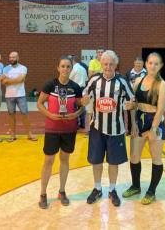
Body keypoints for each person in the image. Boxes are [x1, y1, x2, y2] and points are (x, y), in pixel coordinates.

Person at [82, 50, 136, 207]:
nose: (108, 67)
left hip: (116, 129)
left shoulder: (123, 81)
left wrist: (132, 110)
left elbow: (132, 101)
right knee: (96, 161)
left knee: (114, 162)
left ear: (116, 65)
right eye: (105, 64)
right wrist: (83, 101)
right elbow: (85, 96)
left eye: (111, 64)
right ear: (101, 64)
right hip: (97, 128)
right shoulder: (94, 80)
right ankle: (97, 188)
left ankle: (112, 190)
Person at [122, 52, 165, 205]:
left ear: (160, 66)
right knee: (134, 157)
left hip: (155, 123)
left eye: (156, 63)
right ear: (146, 64)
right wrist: (133, 124)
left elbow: (160, 109)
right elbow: (134, 104)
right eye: (150, 63)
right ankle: (136, 186)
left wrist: (153, 129)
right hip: (139, 121)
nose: (153, 66)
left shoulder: (162, 85)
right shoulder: (137, 81)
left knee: (156, 158)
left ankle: (151, 191)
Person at [37, 56, 83, 209]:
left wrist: (76, 114)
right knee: (48, 160)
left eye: (68, 66)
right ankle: (43, 194)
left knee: (65, 159)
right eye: (62, 66)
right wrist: (49, 115)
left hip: (69, 129)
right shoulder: (50, 84)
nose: (65, 69)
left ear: (71, 69)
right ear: (58, 68)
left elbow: (81, 106)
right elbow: (39, 103)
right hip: (52, 129)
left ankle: (62, 191)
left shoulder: (76, 87)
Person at [2, 51, 37, 141]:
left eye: (13, 57)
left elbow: (21, 80)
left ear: (18, 58)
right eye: (10, 57)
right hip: (9, 96)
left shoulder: (23, 68)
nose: (11, 59)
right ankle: (13, 135)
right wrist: (15, 80)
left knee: (25, 114)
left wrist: (9, 80)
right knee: (11, 115)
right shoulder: (5, 68)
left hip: (21, 95)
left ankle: (29, 134)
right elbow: (3, 81)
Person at [69, 55, 88, 129]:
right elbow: (86, 79)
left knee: (74, 107)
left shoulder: (74, 68)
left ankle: (76, 124)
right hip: (82, 88)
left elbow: (69, 77)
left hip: (75, 88)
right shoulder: (83, 68)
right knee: (82, 106)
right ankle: (83, 123)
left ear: (73, 61)